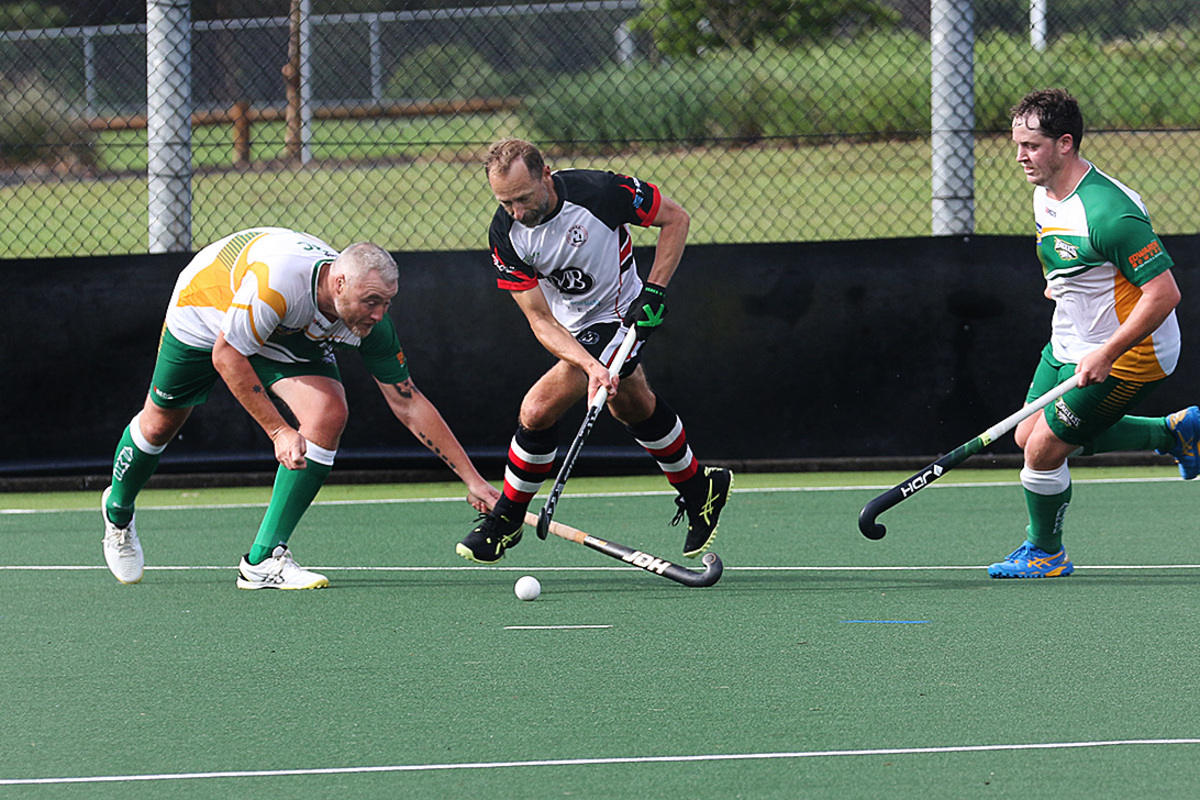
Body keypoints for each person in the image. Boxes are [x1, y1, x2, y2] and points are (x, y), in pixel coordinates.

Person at [101, 227, 500, 588]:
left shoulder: (368, 320)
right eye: (371, 302)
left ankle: (263, 560)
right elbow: (227, 356)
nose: (379, 314)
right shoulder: (278, 286)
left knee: (328, 412)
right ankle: (118, 512)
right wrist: (279, 431)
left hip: (286, 327)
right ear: (339, 284)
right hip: (207, 307)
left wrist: (472, 479)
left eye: (387, 303)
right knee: (160, 424)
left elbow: (407, 401)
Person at [456, 138, 732, 565]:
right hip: (570, 331)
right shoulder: (505, 233)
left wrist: (655, 290)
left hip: (621, 316)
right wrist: (589, 365)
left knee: (536, 409)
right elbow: (540, 320)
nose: (517, 212)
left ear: (546, 175)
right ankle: (700, 487)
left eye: (523, 198)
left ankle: (506, 519)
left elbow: (675, 219)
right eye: (505, 202)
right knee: (632, 406)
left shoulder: (600, 192)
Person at [992, 88, 1199, 578]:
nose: (1021, 156)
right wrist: (1059, 284)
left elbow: (1164, 294)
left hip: (1132, 351)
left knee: (1043, 450)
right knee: (1026, 434)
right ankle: (1175, 432)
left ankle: (1046, 552)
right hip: (1072, 336)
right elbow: (1065, 254)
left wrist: (1106, 352)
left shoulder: (1109, 213)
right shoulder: (1044, 190)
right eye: (1017, 145)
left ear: (1065, 143)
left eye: (1032, 146)